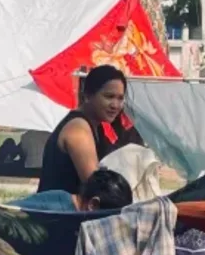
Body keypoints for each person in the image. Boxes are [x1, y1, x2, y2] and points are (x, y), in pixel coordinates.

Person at [37, 65, 140, 194]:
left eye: (120, 98)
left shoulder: (96, 127)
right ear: (87, 95)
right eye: (109, 96)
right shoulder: (78, 128)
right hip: (58, 206)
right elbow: (95, 187)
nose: (115, 105)